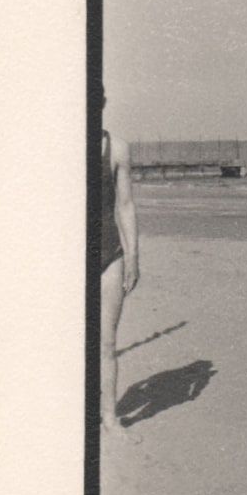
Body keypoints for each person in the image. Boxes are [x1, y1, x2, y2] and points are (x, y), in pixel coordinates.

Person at [101, 92, 140, 439]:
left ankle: (110, 419)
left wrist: (133, 255)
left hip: (109, 256)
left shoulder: (117, 149)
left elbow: (125, 204)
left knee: (107, 344)